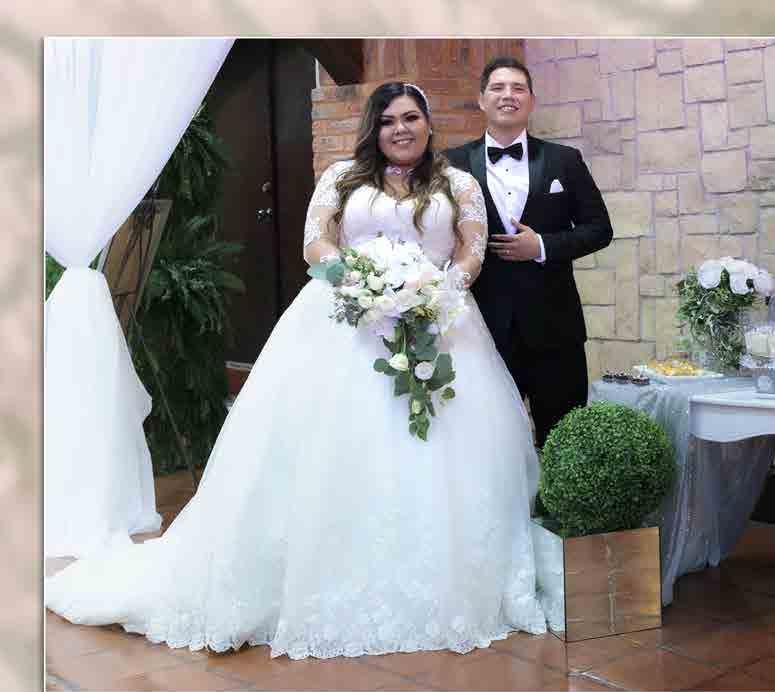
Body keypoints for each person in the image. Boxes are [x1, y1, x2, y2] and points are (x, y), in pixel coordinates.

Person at [45, 82, 547, 660]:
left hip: (439, 322)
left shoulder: (458, 183)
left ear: (428, 124)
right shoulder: (342, 177)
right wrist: (363, 284)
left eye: (411, 118)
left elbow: (471, 250)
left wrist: (437, 290)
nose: (400, 129)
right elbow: (316, 244)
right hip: (345, 324)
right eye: (388, 120)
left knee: (443, 451)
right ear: (373, 127)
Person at [444, 57, 613, 448]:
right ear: (481, 100)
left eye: (518, 88)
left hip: (555, 328)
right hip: (482, 328)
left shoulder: (564, 160)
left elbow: (599, 229)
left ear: (532, 101)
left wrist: (542, 246)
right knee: (487, 442)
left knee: (563, 442)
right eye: (498, 88)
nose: (508, 95)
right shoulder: (451, 164)